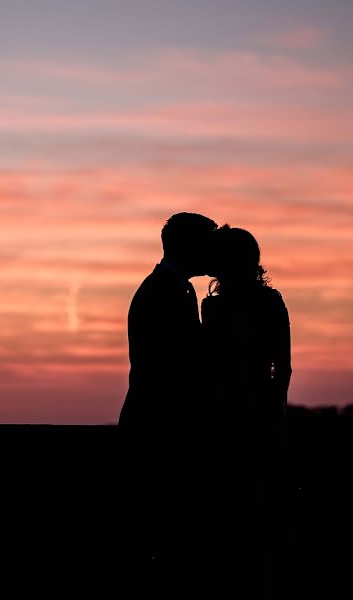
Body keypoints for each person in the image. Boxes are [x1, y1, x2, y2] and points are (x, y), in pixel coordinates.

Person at [117, 211, 217, 570]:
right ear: (190, 247)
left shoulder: (171, 286)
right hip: (159, 427)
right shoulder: (167, 290)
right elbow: (175, 365)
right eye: (208, 244)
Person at [200, 224, 292, 596]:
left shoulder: (214, 307)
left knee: (233, 514)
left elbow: (211, 367)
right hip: (253, 415)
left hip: (229, 417)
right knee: (257, 514)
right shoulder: (269, 302)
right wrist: (273, 408)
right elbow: (282, 367)